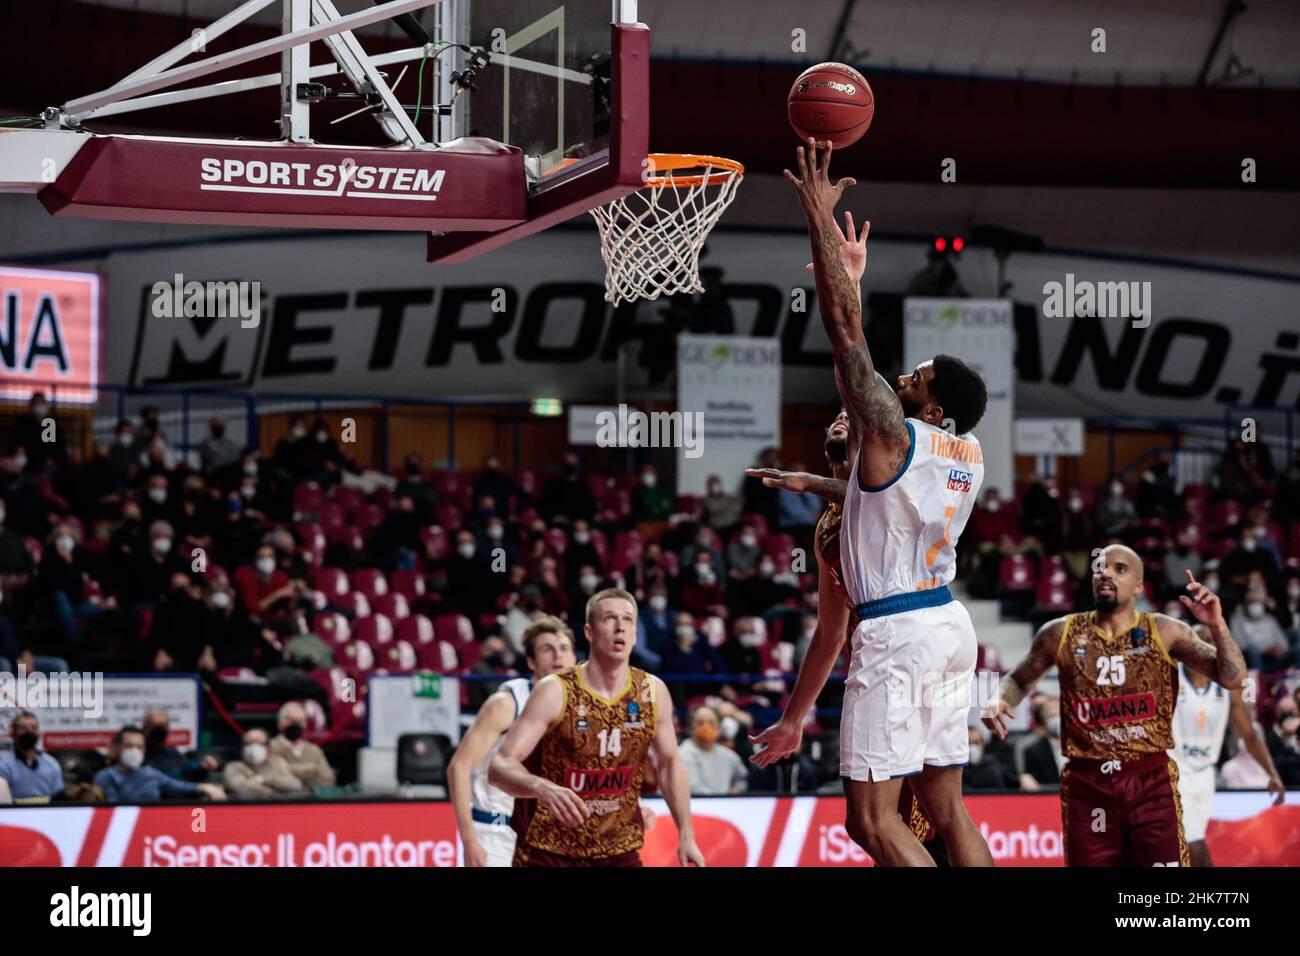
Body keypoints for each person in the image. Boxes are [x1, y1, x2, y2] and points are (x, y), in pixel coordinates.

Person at [781, 139, 993, 867]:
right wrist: (817, 484)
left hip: (899, 633)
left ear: (932, 411)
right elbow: (886, 499)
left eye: (920, 379)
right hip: (948, 623)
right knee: (945, 805)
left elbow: (847, 343)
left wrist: (818, 220)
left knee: (871, 822)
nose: (906, 377)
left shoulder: (894, 435)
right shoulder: (962, 454)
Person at [746, 409, 946, 864]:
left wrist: (807, 481)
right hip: (882, 665)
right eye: (834, 416)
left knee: (899, 820)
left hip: (908, 655)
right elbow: (829, 633)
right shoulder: (827, 529)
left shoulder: (895, 485)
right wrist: (794, 719)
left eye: (849, 414)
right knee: (890, 822)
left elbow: (871, 498)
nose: (839, 416)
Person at [985, 547, 1249, 866]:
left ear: (1139, 586)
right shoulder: (1060, 633)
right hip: (1089, 783)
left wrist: (1217, 624)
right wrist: (1000, 698)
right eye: (1100, 568)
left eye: (1119, 569)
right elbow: (1019, 679)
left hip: (1149, 779)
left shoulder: (1165, 631)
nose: (1106, 573)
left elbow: (1233, 678)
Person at [490, 589, 705, 867]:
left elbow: (669, 762)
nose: (620, 627)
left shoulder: (652, 691)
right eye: (610, 618)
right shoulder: (555, 690)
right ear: (589, 632)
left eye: (628, 620)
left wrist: (686, 834)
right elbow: (499, 766)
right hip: (549, 851)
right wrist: (541, 787)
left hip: (618, 851)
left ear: (636, 634)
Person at [448, 617, 577, 867]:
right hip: (496, 833)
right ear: (531, 662)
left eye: (563, 648)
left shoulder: (580, 708)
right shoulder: (508, 703)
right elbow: (459, 767)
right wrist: (469, 841)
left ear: (574, 658)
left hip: (549, 837)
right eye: (546, 649)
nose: (557, 656)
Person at [1170, 644, 1286, 867]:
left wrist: (1273, 774)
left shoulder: (1227, 689)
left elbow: (1250, 735)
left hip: (1205, 776)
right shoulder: (1171, 679)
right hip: (1174, 772)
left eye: (1206, 645)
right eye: (1195, 643)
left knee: (1183, 854)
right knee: (1198, 853)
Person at [93, 727, 226, 803]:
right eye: (129, 746)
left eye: (140, 747)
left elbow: (179, 787)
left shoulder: (150, 773)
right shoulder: (105, 776)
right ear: (117, 748)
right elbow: (111, 811)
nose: (135, 751)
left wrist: (204, 787)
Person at [678, 705, 748, 795]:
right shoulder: (682, 753)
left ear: (719, 728)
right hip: (696, 806)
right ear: (691, 728)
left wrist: (737, 790)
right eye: (700, 722)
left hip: (725, 805)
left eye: (711, 723)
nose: (706, 726)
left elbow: (743, 779)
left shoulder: (729, 756)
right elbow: (693, 788)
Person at [269, 702, 336, 790]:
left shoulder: (314, 750)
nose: (295, 725)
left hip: (312, 801)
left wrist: (289, 768)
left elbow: (329, 778)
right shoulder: (270, 747)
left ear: (305, 724)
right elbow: (274, 776)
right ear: (280, 722)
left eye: (300, 721)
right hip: (281, 801)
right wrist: (314, 769)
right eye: (291, 721)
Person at [223, 728, 304, 798]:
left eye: (259, 743)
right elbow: (240, 787)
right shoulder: (234, 767)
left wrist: (262, 780)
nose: (253, 747)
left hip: (278, 810)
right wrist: (275, 794)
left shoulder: (277, 765)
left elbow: (295, 785)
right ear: (242, 749)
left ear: (268, 748)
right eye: (249, 744)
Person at [0, 712, 64, 800]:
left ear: (39, 733)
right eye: (23, 728)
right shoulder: (4, 765)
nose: (29, 731)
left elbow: (59, 799)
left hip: (47, 812)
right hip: (13, 813)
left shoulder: (52, 764)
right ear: (13, 733)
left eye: (33, 728)